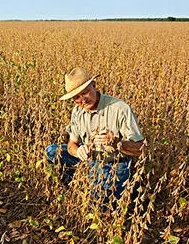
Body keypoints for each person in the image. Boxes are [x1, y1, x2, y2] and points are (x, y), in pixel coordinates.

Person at [46, 67, 145, 203]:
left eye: (85, 92)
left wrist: (116, 142)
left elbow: (141, 149)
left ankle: (119, 188)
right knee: (52, 151)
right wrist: (77, 151)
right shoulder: (77, 111)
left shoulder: (120, 108)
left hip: (113, 163)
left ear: (94, 85)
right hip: (89, 158)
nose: (83, 100)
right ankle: (74, 185)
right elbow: (71, 144)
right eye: (76, 97)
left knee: (100, 201)